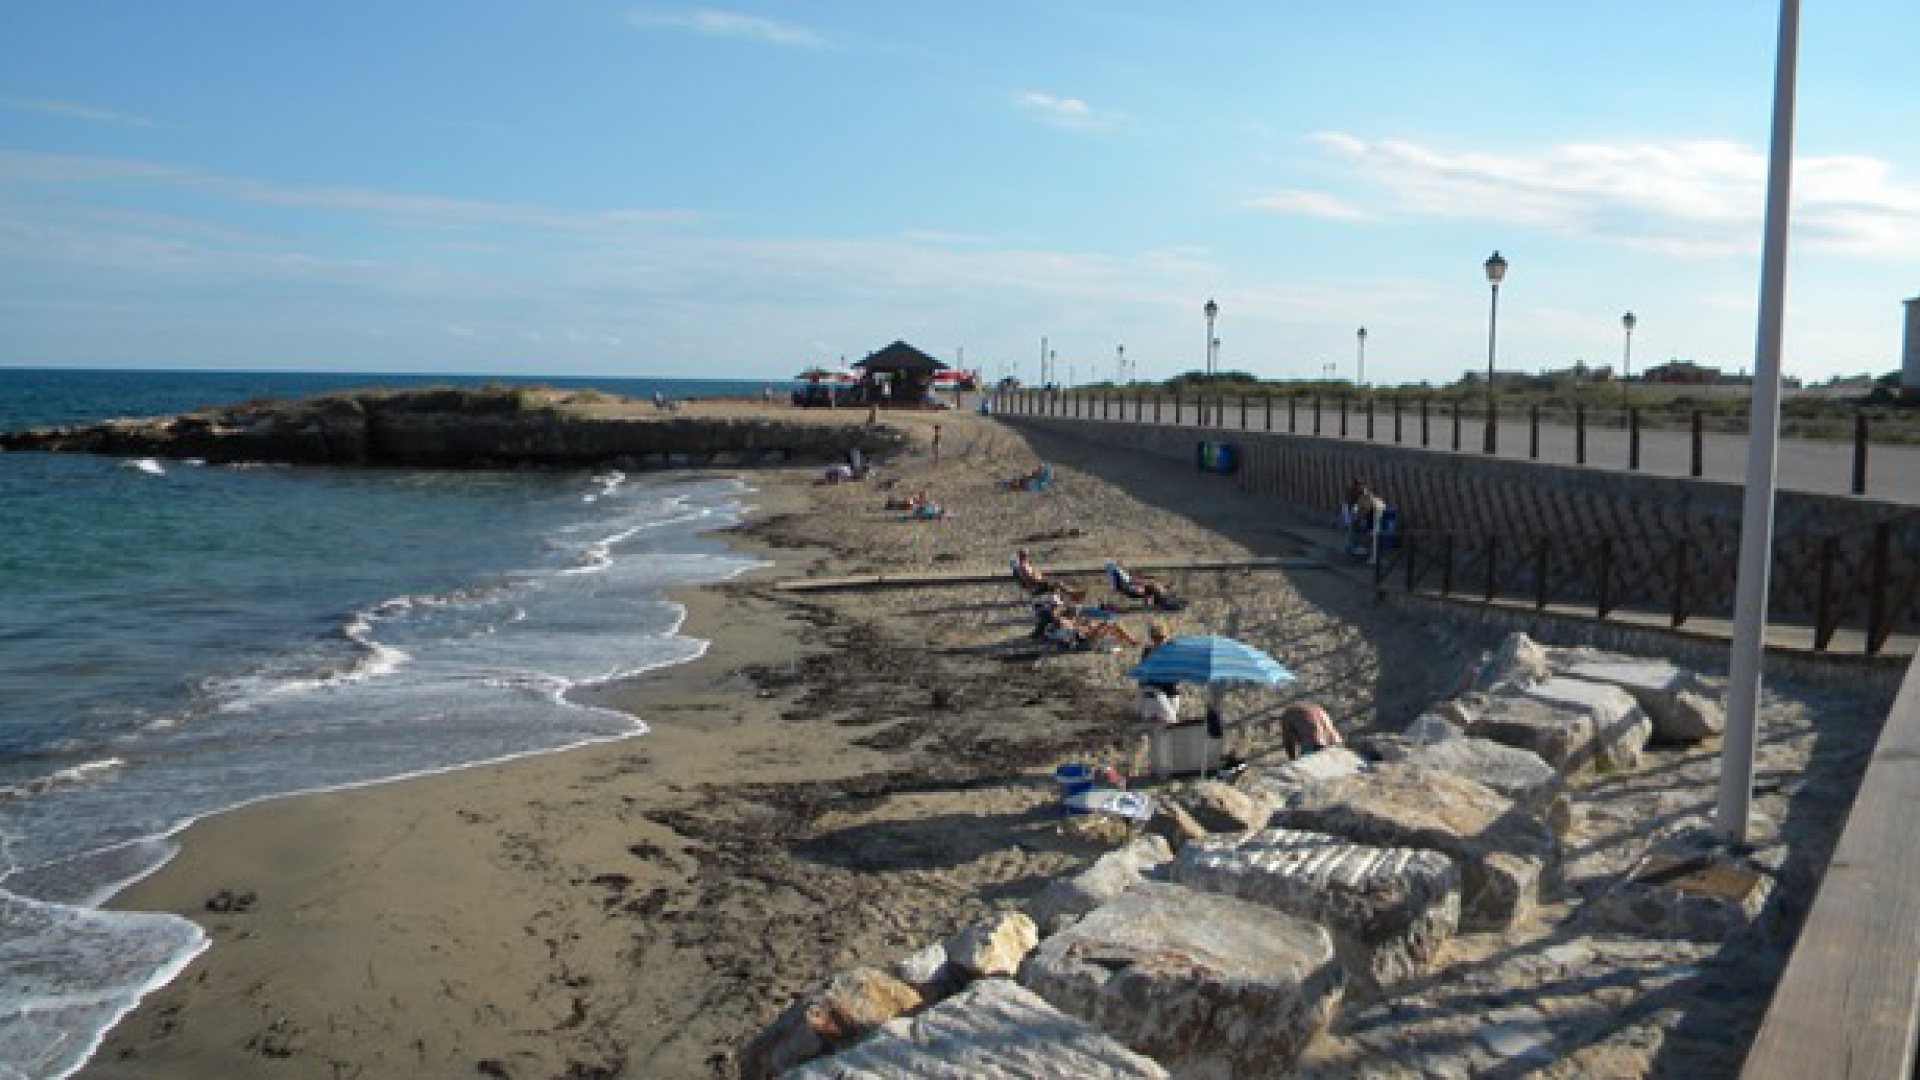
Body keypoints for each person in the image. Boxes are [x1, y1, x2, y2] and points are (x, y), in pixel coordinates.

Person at [1106, 558, 1177, 609]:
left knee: (1152, 584)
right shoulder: (1119, 573)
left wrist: (1142, 581)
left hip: (1132, 587)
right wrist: (1142, 582)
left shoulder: (1120, 573)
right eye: (1120, 563)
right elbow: (1129, 581)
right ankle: (1163, 598)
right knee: (1152, 585)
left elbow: (1129, 579)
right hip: (1131, 589)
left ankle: (1162, 597)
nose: (1122, 564)